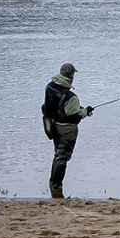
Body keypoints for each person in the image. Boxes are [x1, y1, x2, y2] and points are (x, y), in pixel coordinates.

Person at [43, 63, 93, 199]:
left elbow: (53, 106)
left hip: (52, 126)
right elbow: (74, 117)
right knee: (63, 157)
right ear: (71, 76)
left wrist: (80, 109)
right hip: (67, 129)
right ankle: (56, 187)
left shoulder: (50, 87)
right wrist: (86, 111)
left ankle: (53, 187)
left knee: (57, 155)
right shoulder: (71, 96)